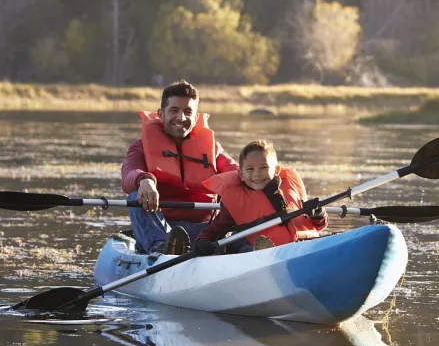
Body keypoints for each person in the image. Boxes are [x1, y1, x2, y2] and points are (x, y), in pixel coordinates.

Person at [121, 80, 238, 254]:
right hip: (161, 229)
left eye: (188, 112)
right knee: (134, 195)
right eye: (174, 111)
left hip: (204, 231)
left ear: (196, 117)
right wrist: (144, 180)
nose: (181, 118)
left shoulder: (213, 149)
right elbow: (129, 173)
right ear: (161, 114)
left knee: (244, 191)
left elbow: (237, 172)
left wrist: (262, 179)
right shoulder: (140, 147)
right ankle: (163, 249)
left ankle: (247, 246)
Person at [193, 139, 327, 256]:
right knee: (242, 247)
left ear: (276, 170)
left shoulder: (291, 189)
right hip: (258, 253)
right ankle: (260, 252)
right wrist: (202, 242)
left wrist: (318, 213)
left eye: (263, 167)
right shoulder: (236, 201)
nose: (257, 174)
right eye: (250, 169)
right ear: (241, 174)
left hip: (302, 247)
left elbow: (320, 225)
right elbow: (215, 229)